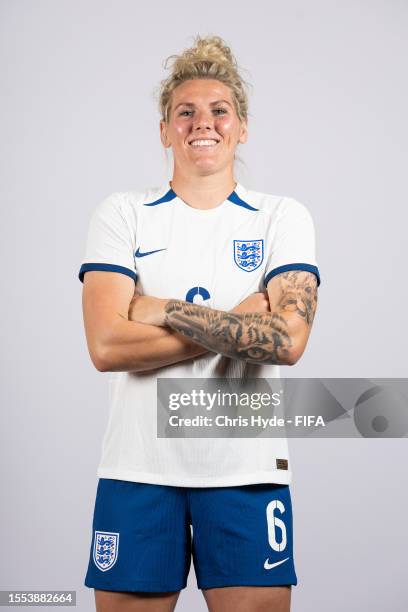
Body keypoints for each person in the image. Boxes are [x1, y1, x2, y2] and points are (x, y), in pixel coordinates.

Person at [78, 34, 320, 612]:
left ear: (242, 127)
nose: (201, 123)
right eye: (184, 112)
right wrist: (235, 322)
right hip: (138, 468)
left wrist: (158, 308)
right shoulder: (123, 214)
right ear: (165, 130)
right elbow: (107, 344)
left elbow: (287, 341)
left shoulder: (281, 218)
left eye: (219, 110)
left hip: (246, 468)